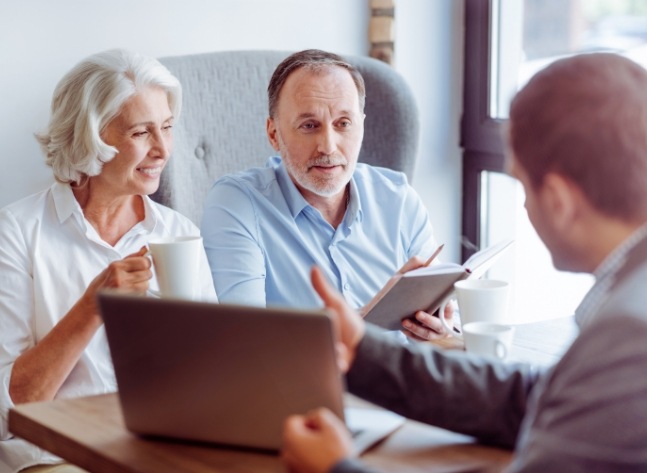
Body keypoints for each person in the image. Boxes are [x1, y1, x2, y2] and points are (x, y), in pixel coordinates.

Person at [280, 53, 647, 472]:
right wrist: (364, 350)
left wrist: (336, 468)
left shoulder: (629, 333)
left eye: (523, 185)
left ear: (560, 201)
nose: (525, 206)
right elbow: (535, 398)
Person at [0, 49, 217, 473]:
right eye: (141, 132)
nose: (162, 150)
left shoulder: (179, 234)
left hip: (160, 448)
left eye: (167, 128)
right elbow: (13, 405)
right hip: (56, 454)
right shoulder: (17, 232)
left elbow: (210, 376)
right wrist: (93, 306)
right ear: (90, 137)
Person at [201, 49, 451, 341]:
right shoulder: (236, 203)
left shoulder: (399, 198)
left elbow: (443, 329)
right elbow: (245, 341)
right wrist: (377, 314)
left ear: (361, 126)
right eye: (309, 126)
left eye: (343, 124)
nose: (328, 147)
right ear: (273, 134)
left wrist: (438, 327)